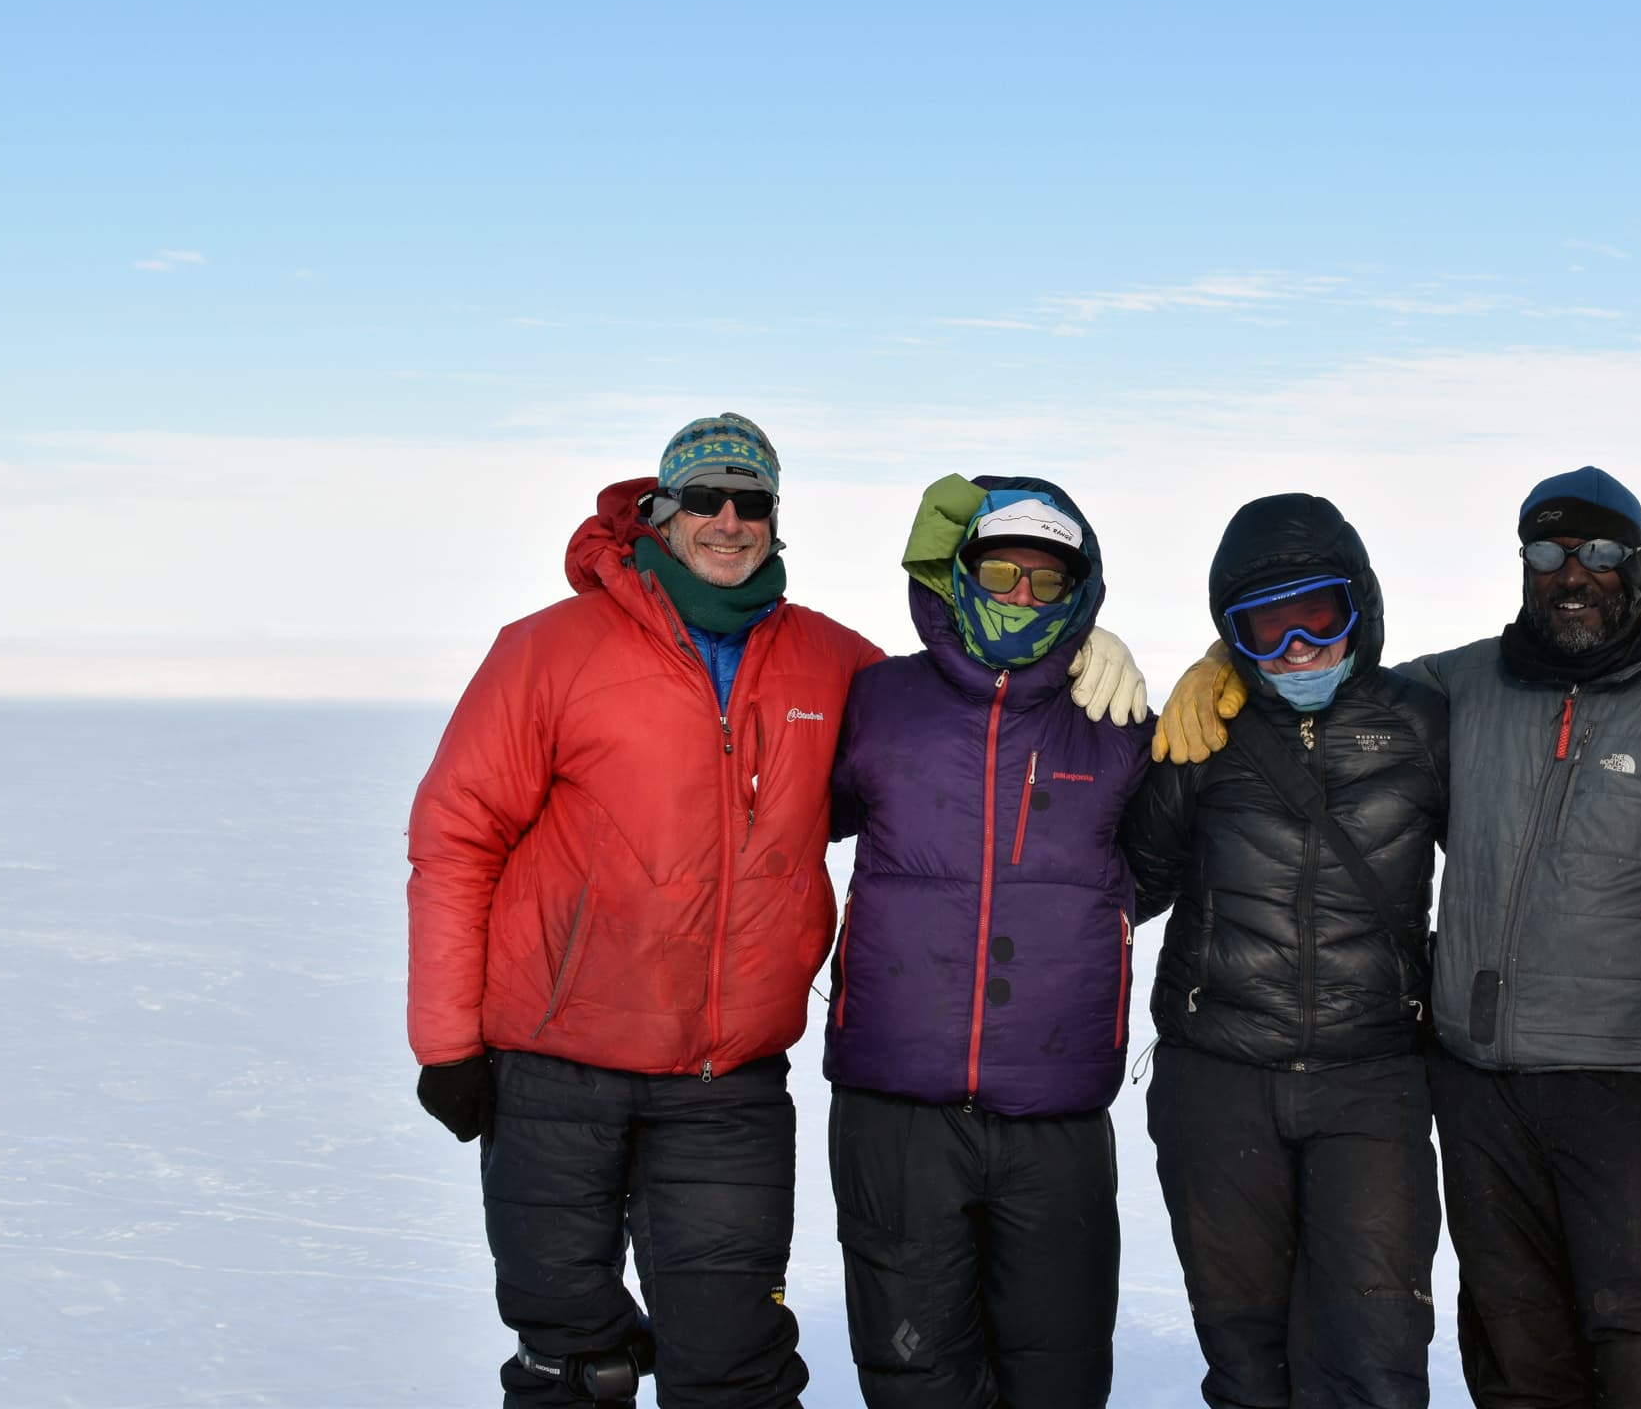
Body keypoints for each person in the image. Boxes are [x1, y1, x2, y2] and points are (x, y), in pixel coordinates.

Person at [406, 419, 1147, 1409]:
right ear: (659, 514)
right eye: (704, 499)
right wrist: (448, 1043)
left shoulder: (832, 664)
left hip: (726, 1084)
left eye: (751, 501)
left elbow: (968, 705)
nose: (729, 519)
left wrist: (1085, 649)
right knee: (572, 1357)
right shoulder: (548, 649)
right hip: (554, 1066)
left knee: (735, 1369)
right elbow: (455, 839)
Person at [1153, 466, 1641, 1409]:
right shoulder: (1462, 688)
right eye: (1547, 552)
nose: (1573, 574)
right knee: (1521, 1370)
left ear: (1638, 564)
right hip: (1482, 1095)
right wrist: (1222, 664)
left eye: (1600, 553)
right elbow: (1331, 686)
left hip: (1639, 1093)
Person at [822, 474, 1152, 1409]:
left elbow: (1156, 868)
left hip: (1056, 1111)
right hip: (896, 1110)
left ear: (1081, 593)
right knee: (914, 1375)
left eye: (1048, 581)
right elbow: (790, 816)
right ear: (960, 575)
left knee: (1059, 1376)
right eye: (1001, 573)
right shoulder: (879, 699)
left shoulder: (1114, 721)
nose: (1022, 596)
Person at [1121, 493, 1449, 1409]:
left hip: (1371, 1083)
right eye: (1265, 628)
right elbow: (1133, 887)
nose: (1297, 648)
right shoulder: (1205, 731)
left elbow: (1507, 865)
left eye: (1319, 616)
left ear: (1360, 607)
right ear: (1231, 635)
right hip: (1218, 1083)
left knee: (1376, 1363)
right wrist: (1166, 757)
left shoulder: (1423, 724)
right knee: (1248, 1366)